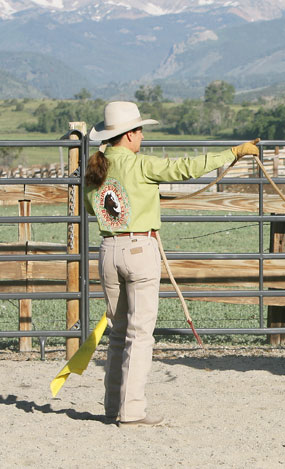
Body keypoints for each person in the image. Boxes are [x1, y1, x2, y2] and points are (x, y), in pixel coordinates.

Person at [85, 101, 259, 426]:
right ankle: (132, 411)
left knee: (119, 333)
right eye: (139, 130)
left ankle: (112, 406)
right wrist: (233, 152)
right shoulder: (142, 165)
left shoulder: (96, 169)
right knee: (140, 335)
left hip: (108, 249)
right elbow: (186, 167)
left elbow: (93, 206)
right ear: (130, 135)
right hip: (139, 249)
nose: (142, 136)